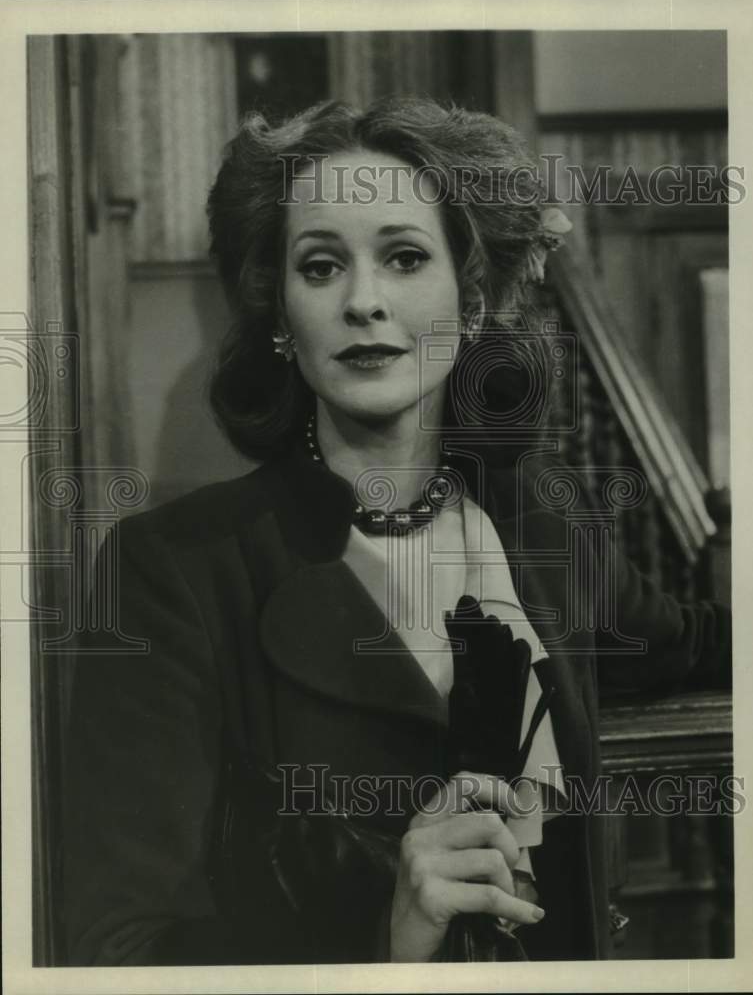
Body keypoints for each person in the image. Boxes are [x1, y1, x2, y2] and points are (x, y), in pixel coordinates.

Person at [62, 97, 731, 966]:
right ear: (276, 312)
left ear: (475, 296)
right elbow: (113, 954)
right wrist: (387, 935)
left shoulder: (534, 523)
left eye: (405, 257)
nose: (363, 302)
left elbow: (685, 644)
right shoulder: (177, 572)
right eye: (320, 267)